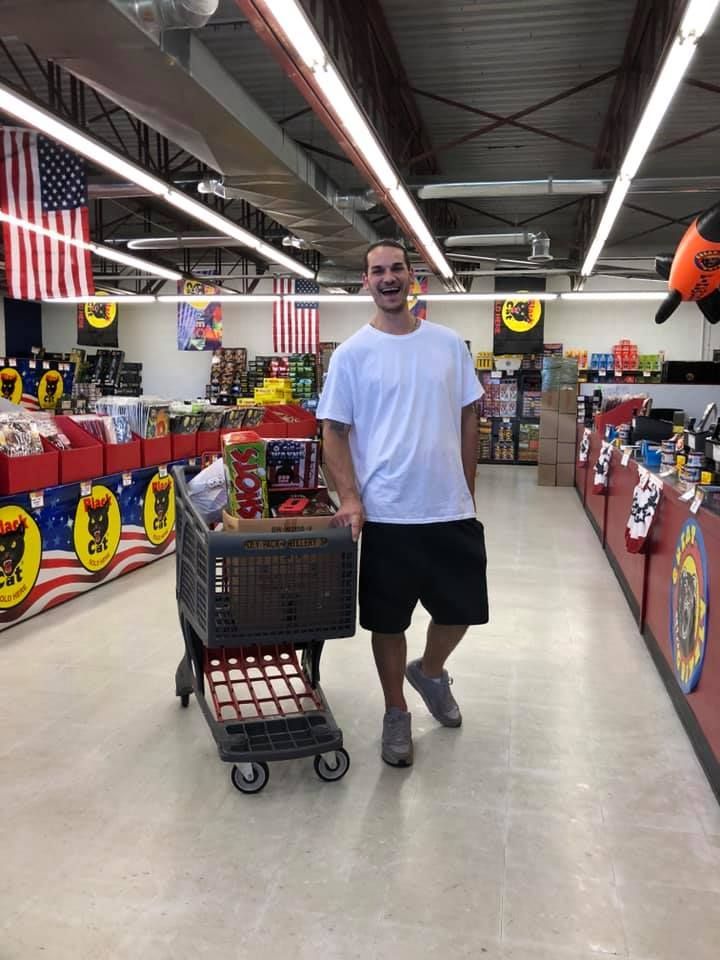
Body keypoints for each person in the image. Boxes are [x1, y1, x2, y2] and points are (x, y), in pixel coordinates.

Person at [317, 239, 489, 767]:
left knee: (463, 612)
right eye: (376, 271)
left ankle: (431, 671)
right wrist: (349, 497)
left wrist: (467, 484)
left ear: (412, 277)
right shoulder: (351, 355)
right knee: (388, 623)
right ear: (365, 281)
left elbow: (468, 417)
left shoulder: (447, 346)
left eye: (395, 268)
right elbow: (334, 430)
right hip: (388, 512)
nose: (387, 278)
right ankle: (396, 711)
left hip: (449, 509)